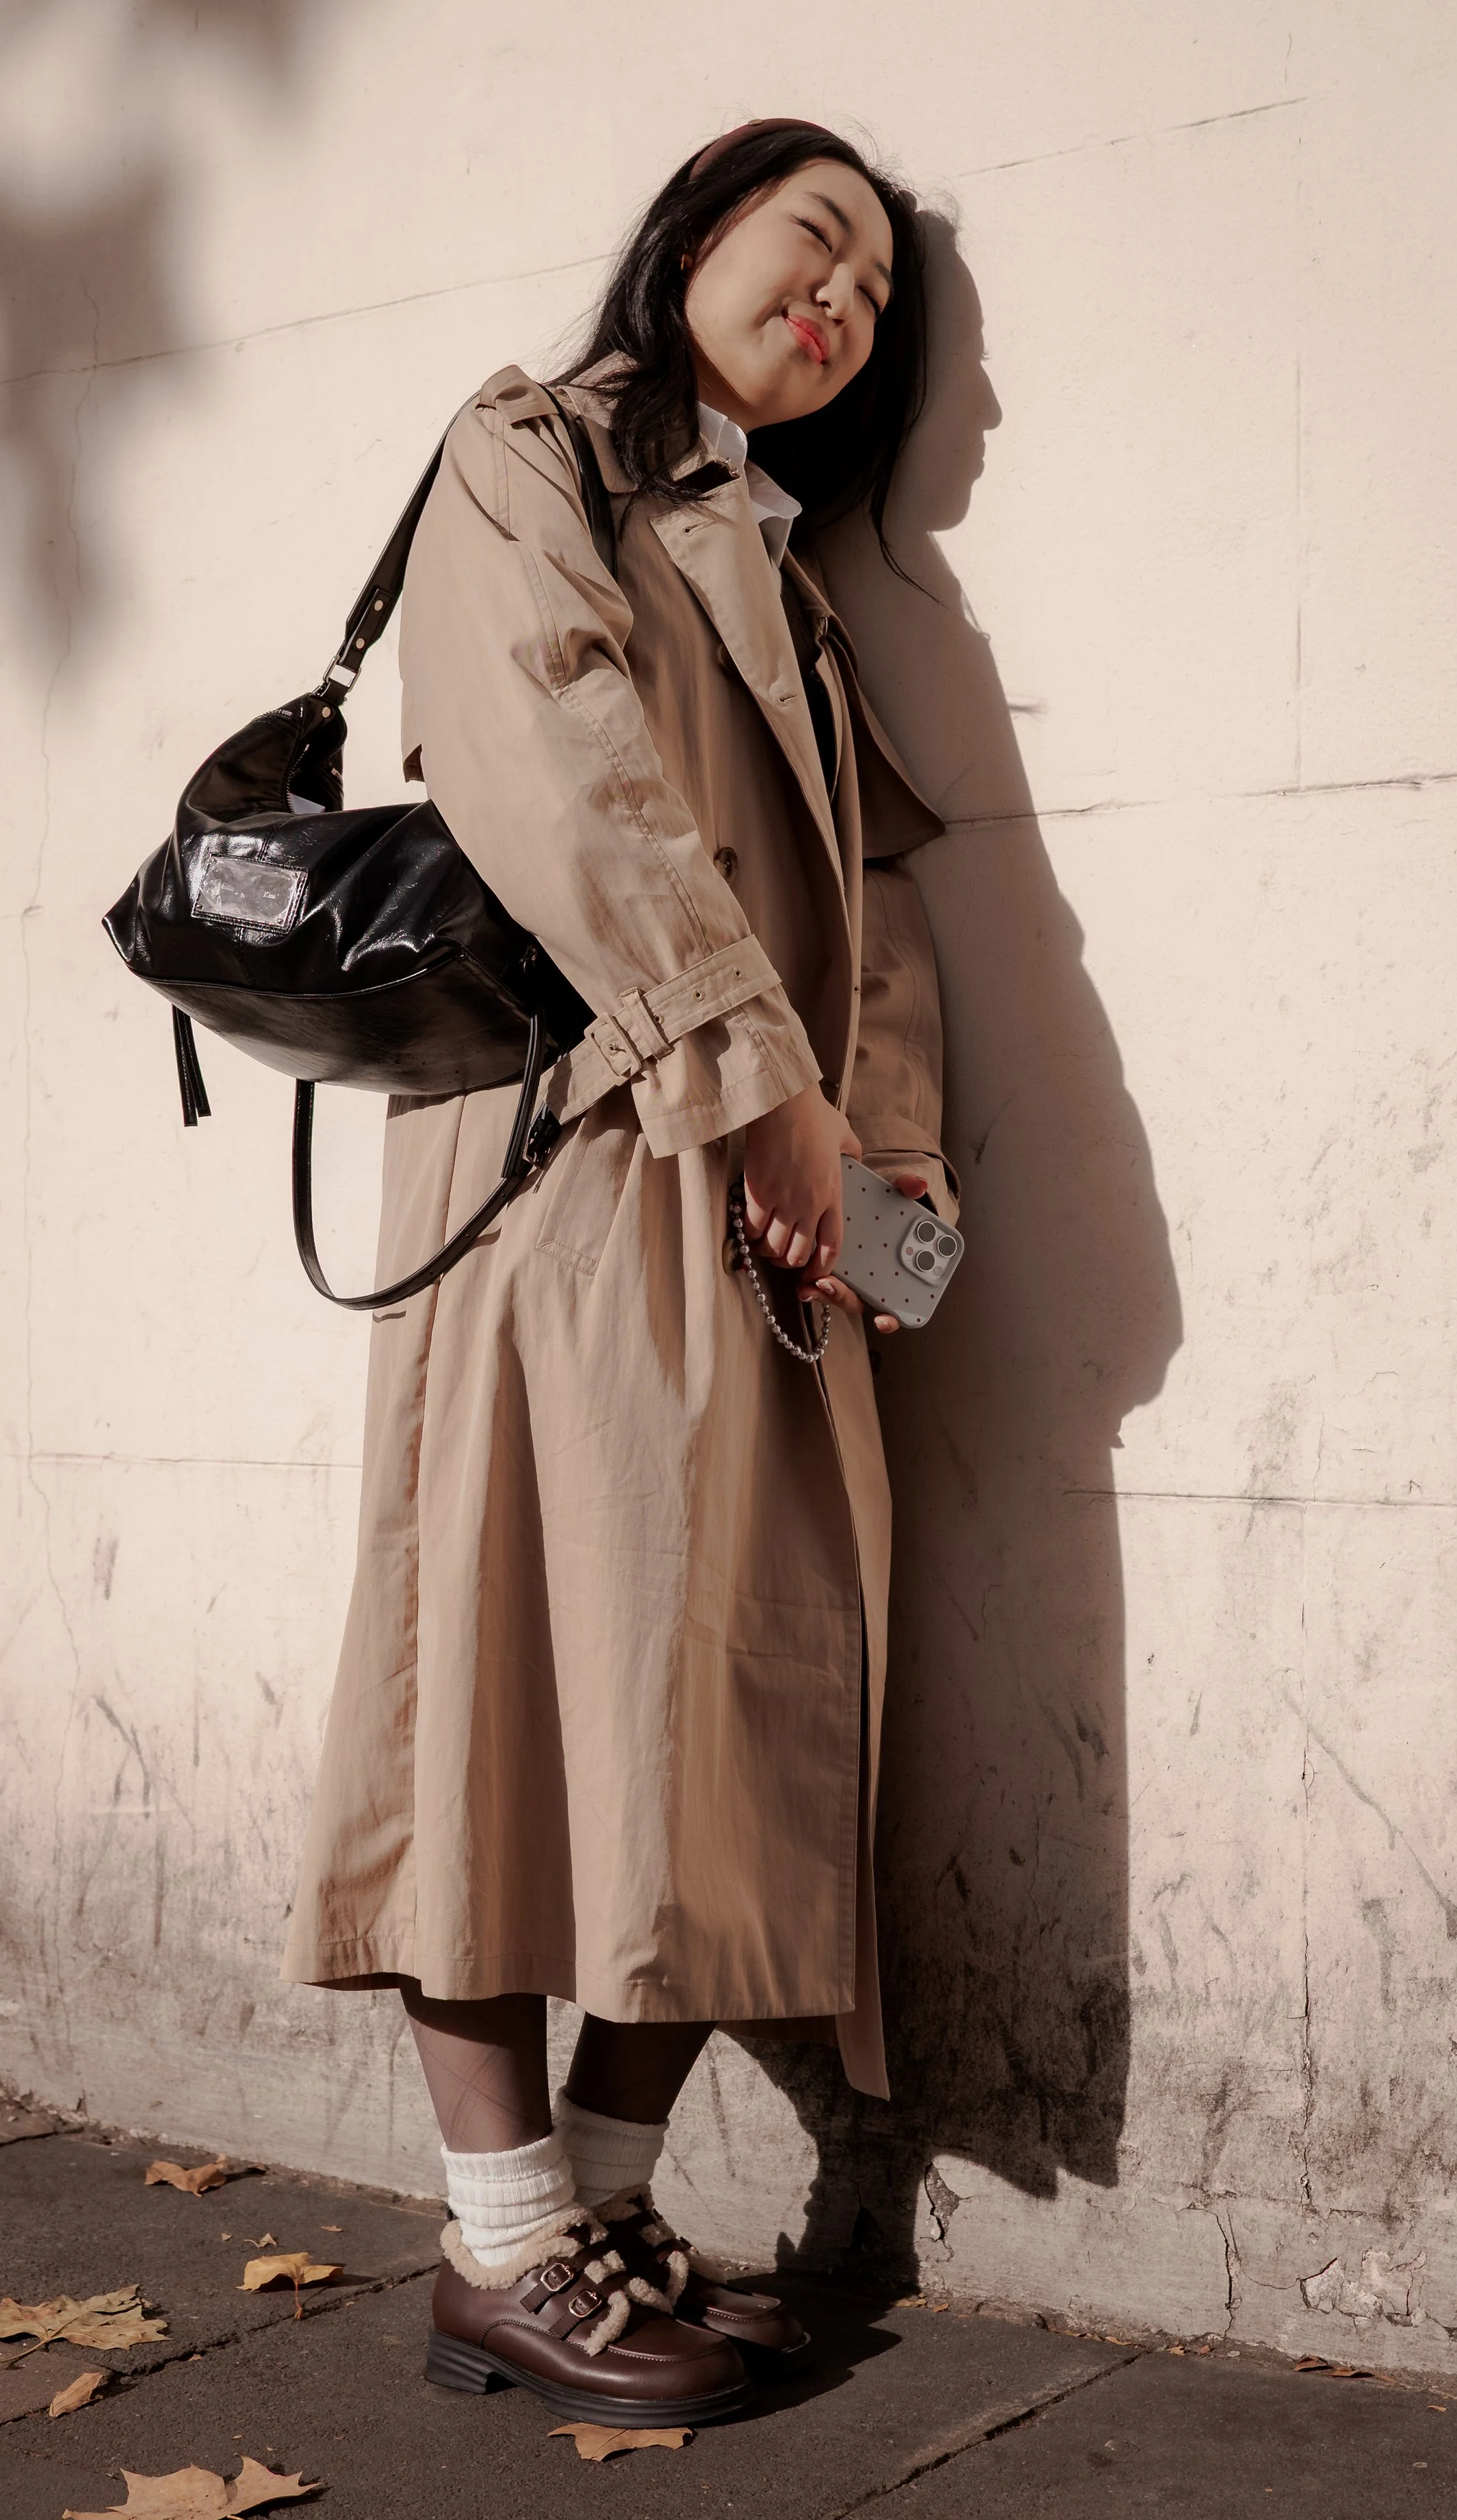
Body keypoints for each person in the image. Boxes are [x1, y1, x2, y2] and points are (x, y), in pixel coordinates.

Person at [281, 117, 957, 2426]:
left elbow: (878, 921)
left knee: (722, 1710)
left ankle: (589, 2209)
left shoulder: (795, 569)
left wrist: (887, 1190)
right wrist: (751, 1080)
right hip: (579, 1162)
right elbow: (556, 759)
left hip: (770, 1204)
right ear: (695, 233)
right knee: (503, 1688)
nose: (844, 297)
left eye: (879, 287)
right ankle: (497, 2248)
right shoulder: (526, 449)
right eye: (817, 237)